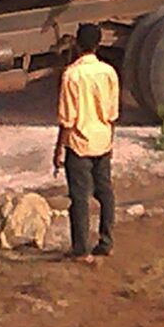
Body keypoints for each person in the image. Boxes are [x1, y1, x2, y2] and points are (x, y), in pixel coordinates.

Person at [54, 23, 120, 259]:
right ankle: (106, 242)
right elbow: (112, 114)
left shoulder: (71, 75)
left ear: (77, 44)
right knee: (105, 192)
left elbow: (67, 120)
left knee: (80, 198)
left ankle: (81, 249)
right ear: (98, 44)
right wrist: (109, 140)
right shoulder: (109, 73)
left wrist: (58, 150)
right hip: (103, 141)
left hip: (79, 144)